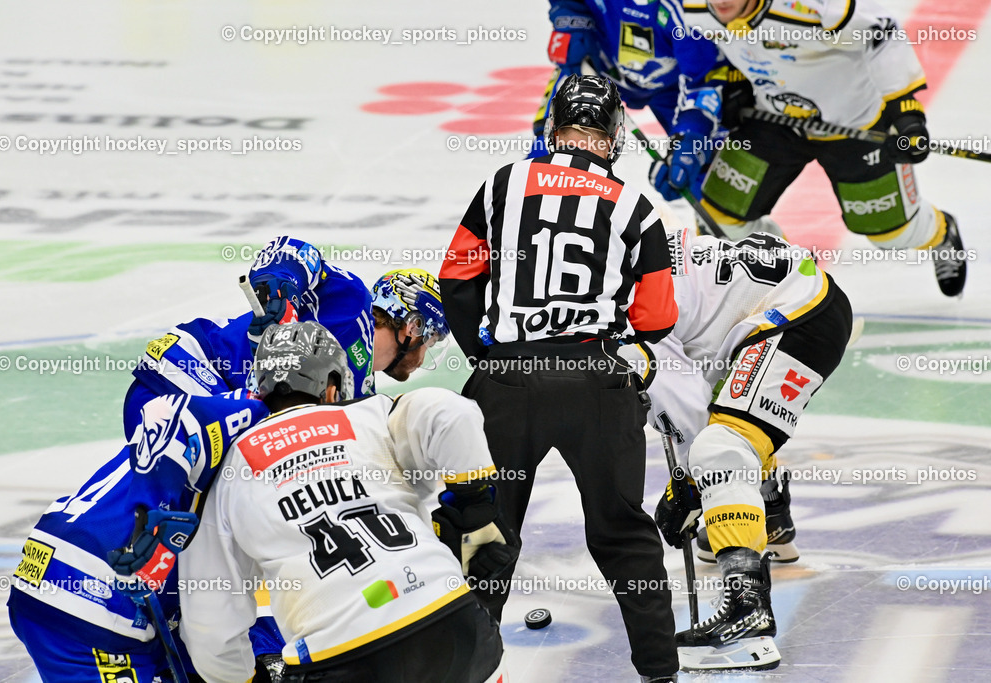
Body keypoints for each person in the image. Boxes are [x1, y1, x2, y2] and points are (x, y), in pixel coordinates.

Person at [440, 74, 680, 682]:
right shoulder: (635, 205)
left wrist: (488, 363)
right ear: (613, 136)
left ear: (552, 130)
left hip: (510, 384)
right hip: (595, 380)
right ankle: (659, 670)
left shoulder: (503, 182)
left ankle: (465, 670)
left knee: (486, 531)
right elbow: (657, 316)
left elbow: (456, 278)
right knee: (623, 534)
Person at [179, 322, 512, 683]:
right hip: (452, 622)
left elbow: (210, 625)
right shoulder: (369, 414)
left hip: (339, 657)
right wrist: (474, 506)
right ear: (332, 388)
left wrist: (241, 678)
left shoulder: (227, 471)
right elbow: (450, 411)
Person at [630, 227, 852, 670]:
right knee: (736, 423)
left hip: (796, 314)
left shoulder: (611, 303)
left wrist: (691, 487)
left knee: (720, 446)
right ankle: (769, 520)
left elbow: (688, 408)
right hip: (791, 301)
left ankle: (748, 608)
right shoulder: (621, 238)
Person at [679, 0, 968, 297]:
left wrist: (905, 111)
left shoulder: (811, 6)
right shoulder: (693, 6)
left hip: (855, 123)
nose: (721, 2)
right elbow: (715, 46)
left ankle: (942, 232)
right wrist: (733, 79)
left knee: (892, 234)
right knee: (719, 218)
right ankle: (782, 269)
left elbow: (882, 30)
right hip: (774, 118)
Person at [7, 388, 270, 681]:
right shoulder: (261, 421)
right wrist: (148, 518)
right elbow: (169, 412)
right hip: (97, 597)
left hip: (61, 569)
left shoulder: (242, 407)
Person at [123, 234, 448, 438]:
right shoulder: (352, 302)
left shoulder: (361, 393)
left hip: (216, 410)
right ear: (413, 327)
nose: (423, 359)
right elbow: (290, 251)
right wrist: (279, 296)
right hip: (191, 374)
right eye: (430, 343)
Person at [528, 0, 734, 203]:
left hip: (673, 86)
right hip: (596, 66)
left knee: (706, 172)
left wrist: (692, 135)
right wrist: (571, 19)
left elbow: (703, 80)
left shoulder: (690, 9)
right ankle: (526, 213)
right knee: (553, 152)